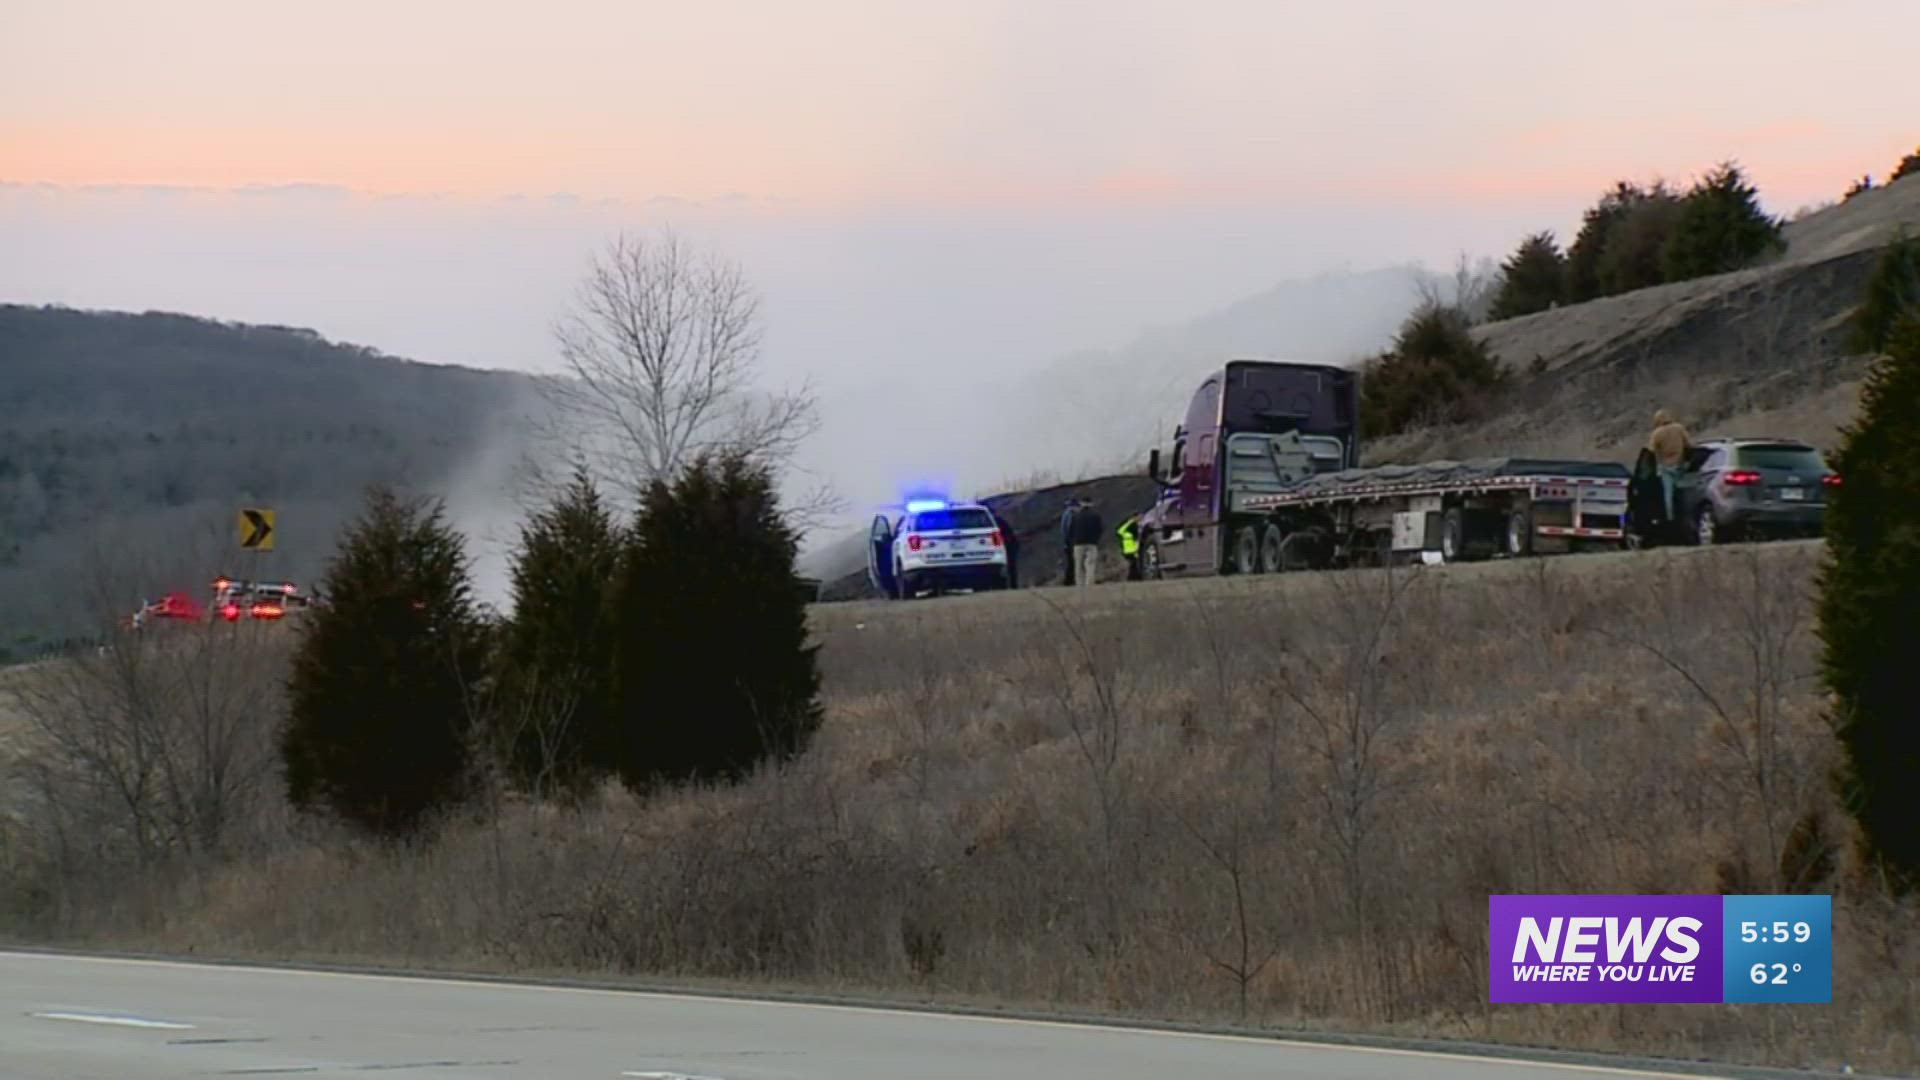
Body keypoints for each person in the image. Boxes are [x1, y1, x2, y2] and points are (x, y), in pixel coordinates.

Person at [1648, 408, 1691, 521]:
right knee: (1684, 492)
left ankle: (1670, 517)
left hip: (1665, 467)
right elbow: (1688, 445)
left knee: (1668, 495)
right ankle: (1686, 513)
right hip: (1680, 465)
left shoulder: (1657, 434)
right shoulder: (1679, 428)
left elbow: (1650, 452)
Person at [1068, 498, 1104, 587]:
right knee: (1091, 563)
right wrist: (1096, 539)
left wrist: (1072, 540)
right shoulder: (1096, 516)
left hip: (1078, 543)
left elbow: (1071, 530)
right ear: (1091, 504)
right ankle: (1089, 583)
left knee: (1078, 564)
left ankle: (1079, 584)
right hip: (1092, 543)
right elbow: (1100, 529)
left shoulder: (1076, 516)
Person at [989, 508, 1020, 588]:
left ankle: (1012, 584)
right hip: (1007, 545)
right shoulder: (997, 520)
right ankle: (1013, 585)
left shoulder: (996, 521)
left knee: (1009, 566)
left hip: (1007, 545)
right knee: (1010, 567)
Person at [1059, 498, 1079, 586]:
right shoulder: (1070, 515)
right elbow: (1067, 529)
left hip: (1069, 542)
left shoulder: (1066, 514)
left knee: (1071, 562)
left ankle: (1069, 580)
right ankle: (1069, 580)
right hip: (1071, 542)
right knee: (1072, 562)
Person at [1116, 513, 1142, 580]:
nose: (1140, 519)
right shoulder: (1130, 524)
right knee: (1132, 564)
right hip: (1128, 549)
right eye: (1139, 517)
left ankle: (1133, 578)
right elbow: (1119, 531)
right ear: (1135, 517)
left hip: (1132, 549)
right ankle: (1132, 578)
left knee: (1133, 564)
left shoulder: (1135, 525)